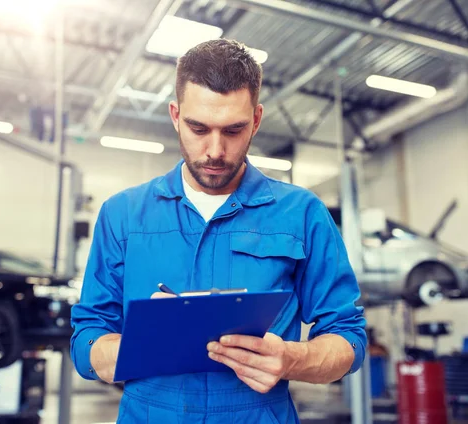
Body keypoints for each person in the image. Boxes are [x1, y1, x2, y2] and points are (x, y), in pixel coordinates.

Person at [70, 38, 367, 423]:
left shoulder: (301, 214)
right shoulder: (122, 215)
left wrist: (295, 358)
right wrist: (146, 342)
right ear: (175, 115)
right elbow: (85, 341)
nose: (214, 150)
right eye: (198, 127)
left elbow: (349, 336)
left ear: (256, 120)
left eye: (233, 130)